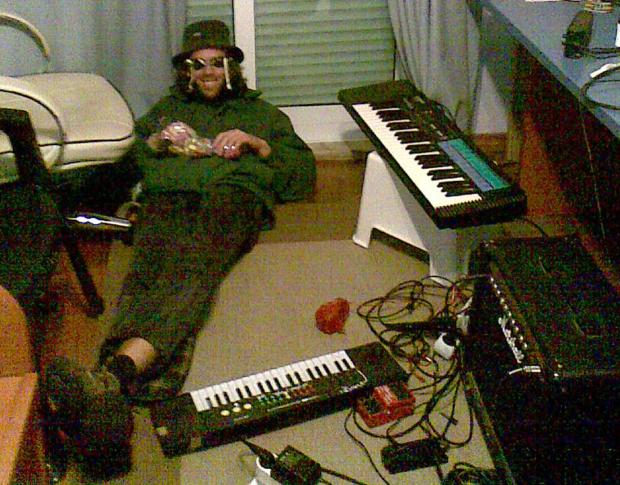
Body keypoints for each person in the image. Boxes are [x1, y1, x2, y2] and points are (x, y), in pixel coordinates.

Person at [44, 19, 316, 478]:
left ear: (231, 68)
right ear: (186, 71)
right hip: (167, 197)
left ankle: (115, 376)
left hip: (232, 196)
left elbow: (302, 176)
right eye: (198, 64)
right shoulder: (167, 110)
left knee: (193, 268)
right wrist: (156, 140)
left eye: (217, 63)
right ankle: (112, 389)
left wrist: (256, 144)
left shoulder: (261, 114)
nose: (208, 72)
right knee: (148, 272)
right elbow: (128, 161)